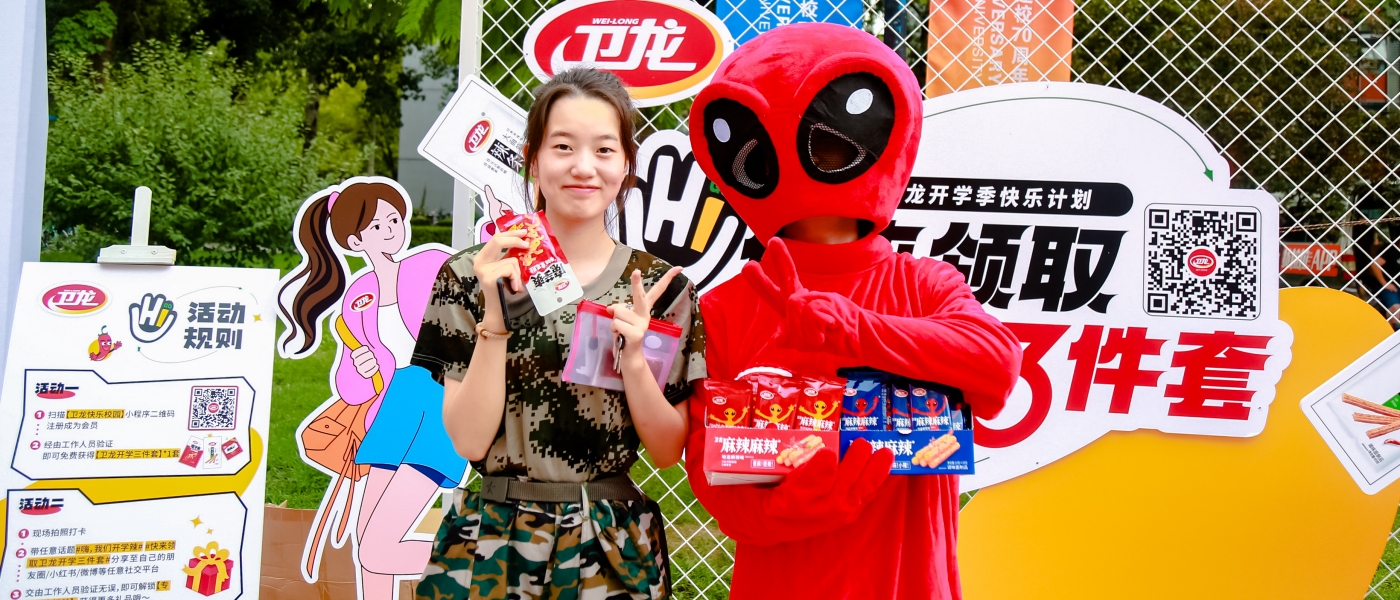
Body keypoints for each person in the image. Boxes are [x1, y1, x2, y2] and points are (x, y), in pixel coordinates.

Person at [682, 24, 1023, 599]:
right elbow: (714, 477)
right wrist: (796, 505)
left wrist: (851, 327)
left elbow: (996, 364)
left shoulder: (924, 284)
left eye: (834, 139)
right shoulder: (726, 308)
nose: (820, 153)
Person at [412, 68, 704, 600]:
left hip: (610, 546)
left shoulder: (660, 288)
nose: (583, 167)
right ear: (532, 158)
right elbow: (469, 441)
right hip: (493, 542)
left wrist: (634, 361)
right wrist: (495, 322)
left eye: (604, 150)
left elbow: (667, 449)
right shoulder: (471, 275)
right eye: (563, 146)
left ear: (626, 164)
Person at [278, 178, 457, 599]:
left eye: (395, 220)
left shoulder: (432, 263)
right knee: (367, 543)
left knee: (379, 547)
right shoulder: (359, 294)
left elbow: (481, 288)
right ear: (356, 240)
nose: (392, 230)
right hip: (392, 408)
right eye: (378, 226)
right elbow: (352, 387)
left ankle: (485, 556)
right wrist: (360, 368)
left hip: (439, 401)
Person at [1365, 226, 1400, 329]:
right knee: (1396, 309)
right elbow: (1375, 264)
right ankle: (1393, 334)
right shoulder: (1391, 250)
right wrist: (1385, 283)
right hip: (1390, 287)